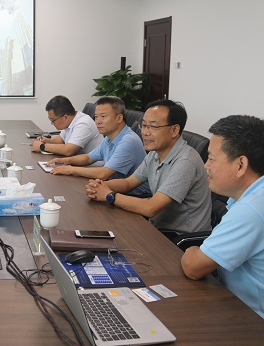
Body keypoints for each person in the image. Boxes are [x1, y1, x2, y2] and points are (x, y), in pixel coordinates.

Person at [85, 99, 211, 236]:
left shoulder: (185, 161)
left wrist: (109, 195)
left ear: (174, 130)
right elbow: (128, 183)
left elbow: (151, 208)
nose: (145, 132)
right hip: (157, 227)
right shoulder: (155, 153)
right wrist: (100, 186)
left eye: (153, 127)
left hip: (180, 238)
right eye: (144, 125)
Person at [181, 115, 264, 318]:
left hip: (250, 321)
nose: (206, 166)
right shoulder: (253, 195)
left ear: (240, 164)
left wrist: (192, 250)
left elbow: (193, 267)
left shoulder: (251, 209)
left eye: (211, 158)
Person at [46, 96, 150, 196]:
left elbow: (104, 173)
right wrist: (65, 161)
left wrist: (70, 169)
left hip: (136, 195)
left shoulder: (128, 140)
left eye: (103, 116)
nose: (98, 121)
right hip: (112, 188)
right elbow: (88, 158)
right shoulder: (109, 138)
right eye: (96, 117)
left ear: (119, 118)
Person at [31, 95, 102, 156]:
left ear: (65, 117)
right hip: (77, 161)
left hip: (92, 166)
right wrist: (47, 141)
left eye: (53, 120)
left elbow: (68, 150)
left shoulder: (83, 124)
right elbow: (61, 139)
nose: (52, 123)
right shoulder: (70, 120)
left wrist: (42, 146)